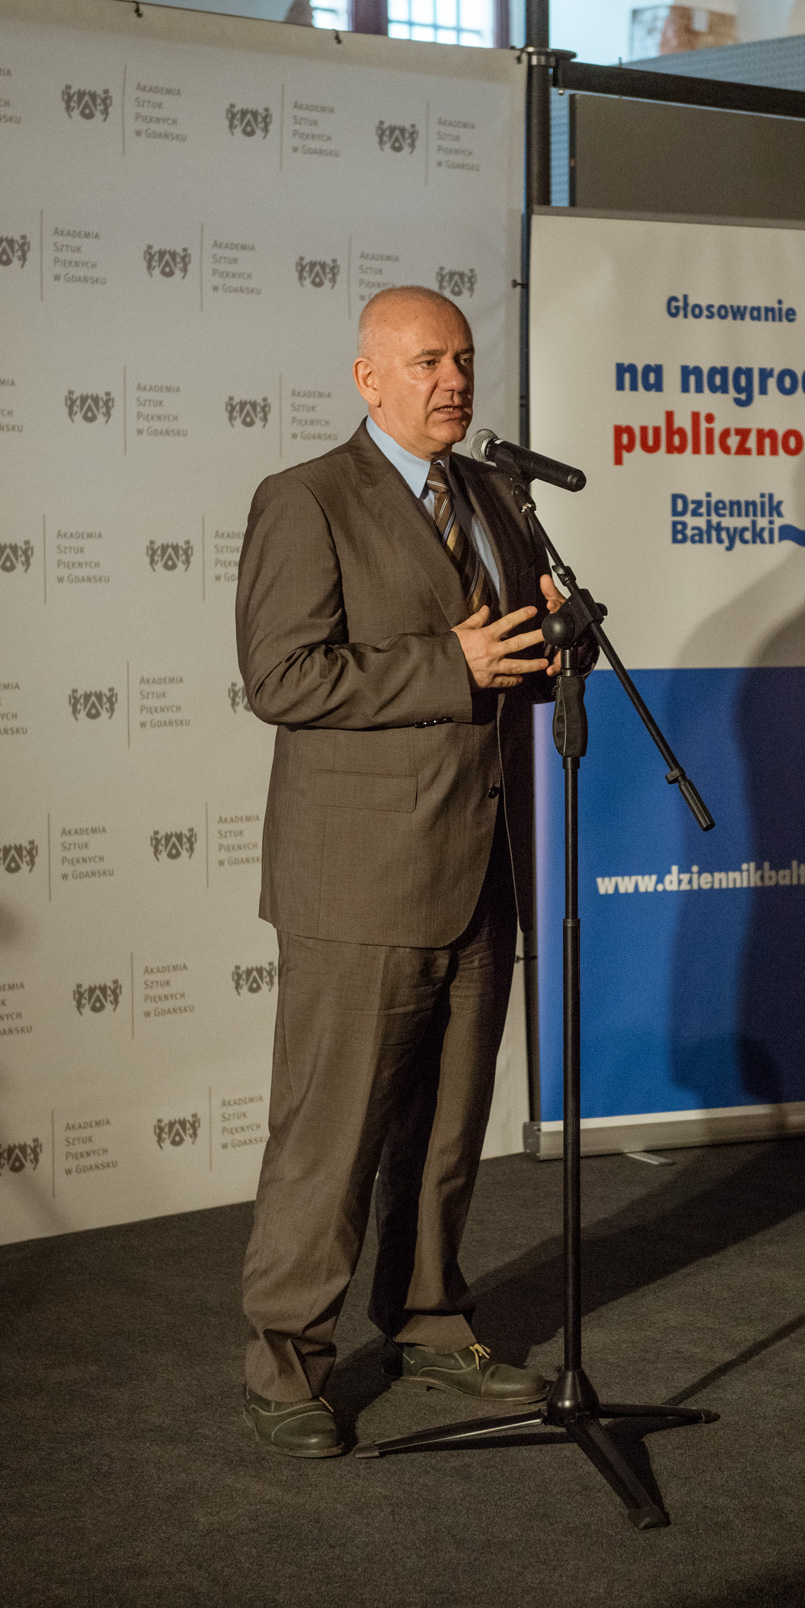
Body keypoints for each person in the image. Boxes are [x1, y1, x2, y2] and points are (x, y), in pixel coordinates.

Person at [235, 284, 565, 1458]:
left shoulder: (493, 497)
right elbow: (282, 676)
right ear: (368, 378)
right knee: (329, 1139)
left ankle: (428, 1320)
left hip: (481, 863)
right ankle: (285, 1366)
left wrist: (553, 641)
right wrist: (450, 663)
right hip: (359, 879)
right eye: (426, 361)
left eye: (462, 359)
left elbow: (509, 662)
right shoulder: (305, 499)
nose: (453, 380)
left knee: (446, 1130)